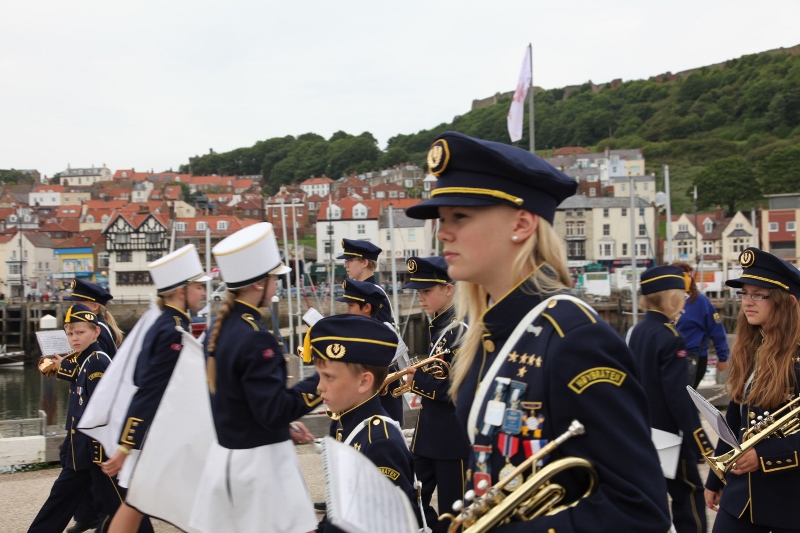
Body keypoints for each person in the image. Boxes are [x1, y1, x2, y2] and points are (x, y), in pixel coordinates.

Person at [404, 131, 671, 531]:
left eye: (460, 216)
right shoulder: (488, 332)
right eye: (443, 219)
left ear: (522, 224)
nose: (443, 232)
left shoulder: (575, 338)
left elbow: (641, 510)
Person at [189, 222, 323, 533]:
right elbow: (272, 411)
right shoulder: (256, 337)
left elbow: (237, 401)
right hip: (261, 466)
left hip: (229, 459)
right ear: (260, 283)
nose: (277, 285)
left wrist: (284, 427)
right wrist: (324, 380)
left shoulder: (218, 328)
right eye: (275, 279)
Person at [100, 244, 210, 533]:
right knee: (141, 503)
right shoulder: (172, 330)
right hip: (162, 434)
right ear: (180, 291)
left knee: (140, 503)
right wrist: (125, 446)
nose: (203, 293)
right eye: (199, 287)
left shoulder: (167, 323)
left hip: (168, 431)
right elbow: (150, 389)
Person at [29, 304, 152, 533]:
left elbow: (103, 410)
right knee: (61, 502)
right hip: (84, 452)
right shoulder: (85, 359)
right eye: (70, 333)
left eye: (80, 332)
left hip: (97, 452)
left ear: (96, 332)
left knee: (123, 507)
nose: (74, 338)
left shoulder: (97, 361)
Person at [704, 247, 800, 532]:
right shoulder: (754, 349)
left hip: (788, 500)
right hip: (740, 496)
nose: (748, 302)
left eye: (759, 295)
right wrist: (715, 479)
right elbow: (734, 420)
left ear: (789, 302)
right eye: (744, 293)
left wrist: (764, 456)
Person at [303, 314, 423, 533]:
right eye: (319, 376)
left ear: (364, 382)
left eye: (328, 377)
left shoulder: (380, 443)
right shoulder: (345, 426)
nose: (319, 387)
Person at [627, 265, 714, 533]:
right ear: (673, 298)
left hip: (643, 431)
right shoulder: (671, 338)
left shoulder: (637, 331)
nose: (685, 303)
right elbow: (679, 398)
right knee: (688, 494)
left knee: (651, 497)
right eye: (683, 297)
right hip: (670, 436)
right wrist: (702, 444)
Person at [401, 256, 469, 532]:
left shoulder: (460, 329)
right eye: (418, 291)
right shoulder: (441, 326)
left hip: (452, 440)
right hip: (428, 436)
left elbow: (460, 388)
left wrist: (417, 380)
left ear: (449, 289)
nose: (420, 297)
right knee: (409, 499)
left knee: (455, 515)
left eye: (427, 291)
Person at [58, 279, 123, 533]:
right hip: (85, 414)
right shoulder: (96, 328)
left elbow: (94, 368)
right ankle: (91, 516)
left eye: (79, 302)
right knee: (73, 463)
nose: (73, 306)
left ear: (94, 307)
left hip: (92, 419)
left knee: (86, 469)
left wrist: (63, 367)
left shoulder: (100, 331)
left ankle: (100, 517)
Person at [336, 278, 405, 423]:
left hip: (380, 411)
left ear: (367, 307)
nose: (348, 311)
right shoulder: (358, 333)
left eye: (351, 305)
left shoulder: (381, 336)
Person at [672, 262, 730, 388]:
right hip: (670, 357)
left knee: (684, 395)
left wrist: (723, 357)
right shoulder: (666, 302)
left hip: (692, 358)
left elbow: (717, 330)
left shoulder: (700, 302)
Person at [338, 238, 396, 328]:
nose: (345, 265)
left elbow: (383, 331)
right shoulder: (366, 290)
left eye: (350, 260)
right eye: (346, 261)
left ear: (365, 263)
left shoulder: (374, 293)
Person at [64, 279, 124, 358]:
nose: (73, 307)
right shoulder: (101, 323)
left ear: (95, 306)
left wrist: (63, 364)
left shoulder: (96, 328)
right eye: (73, 303)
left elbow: (96, 360)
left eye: (78, 304)